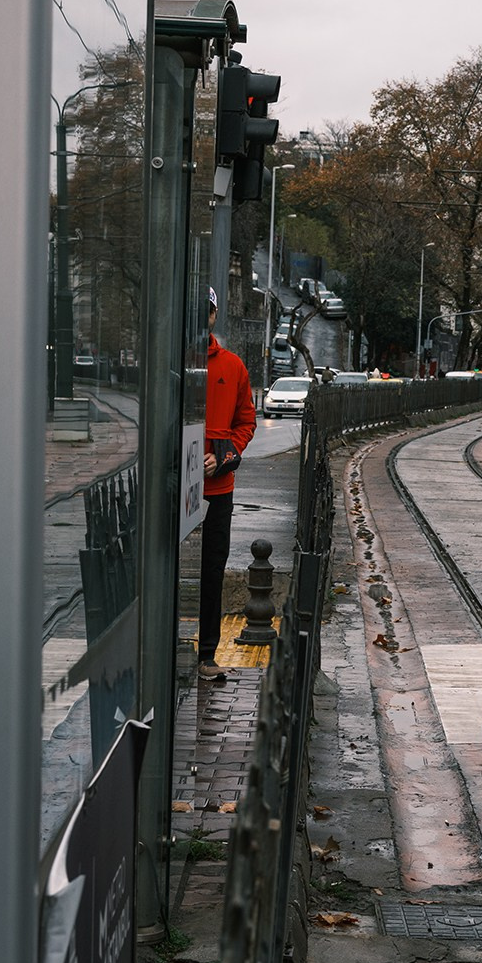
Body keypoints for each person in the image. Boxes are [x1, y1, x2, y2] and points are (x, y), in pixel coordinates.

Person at [198, 287, 256, 682]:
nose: (202, 318)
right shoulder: (170, 362)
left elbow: (246, 421)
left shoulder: (233, 366)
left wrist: (224, 455)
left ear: (214, 316)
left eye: (207, 312)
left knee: (212, 570)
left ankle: (206, 654)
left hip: (218, 488)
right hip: (174, 487)